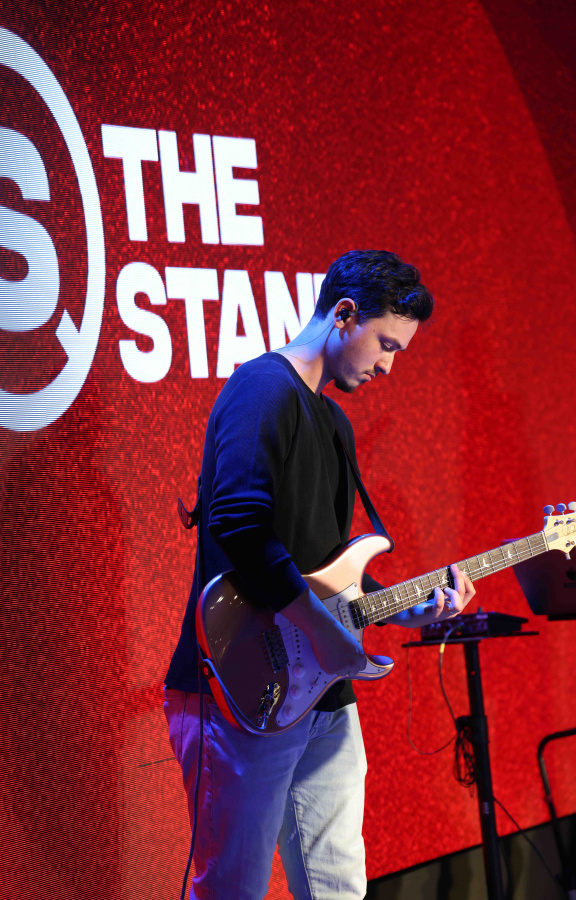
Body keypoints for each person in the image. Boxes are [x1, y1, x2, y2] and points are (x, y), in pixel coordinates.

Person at [164, 250, 475, 900]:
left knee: (339, 888)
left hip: (321, 697)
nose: (388, 366)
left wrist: (409, 609)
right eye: (386, 344)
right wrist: (322, 632)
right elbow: (238, 523)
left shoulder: (333, 422)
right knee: (233, 890)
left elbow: (329, 574)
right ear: (345, 314)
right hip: (239, 686)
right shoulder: (262, 388)